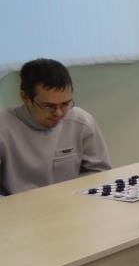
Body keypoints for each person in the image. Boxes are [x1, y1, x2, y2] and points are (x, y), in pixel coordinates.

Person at [0, 58, 110, 195]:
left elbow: (99, 173)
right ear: (25, 98)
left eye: (65, 104)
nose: (58, 113)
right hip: (16, 207)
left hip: (72, 202)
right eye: (49, 106)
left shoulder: (82, 122)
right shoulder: (3, 128)